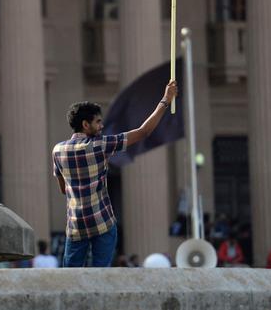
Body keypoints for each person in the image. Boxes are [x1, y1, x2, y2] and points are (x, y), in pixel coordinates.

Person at [52, 80, 178, 268]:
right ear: (86, 124)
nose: (102, 126)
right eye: (98, 122)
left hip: (75, 226)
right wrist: (165, 100)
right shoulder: (100, 145)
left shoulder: (58, 150)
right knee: (101, 273)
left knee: (70, 277)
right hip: (102, 223)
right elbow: (144, 132)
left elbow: (63, 189)